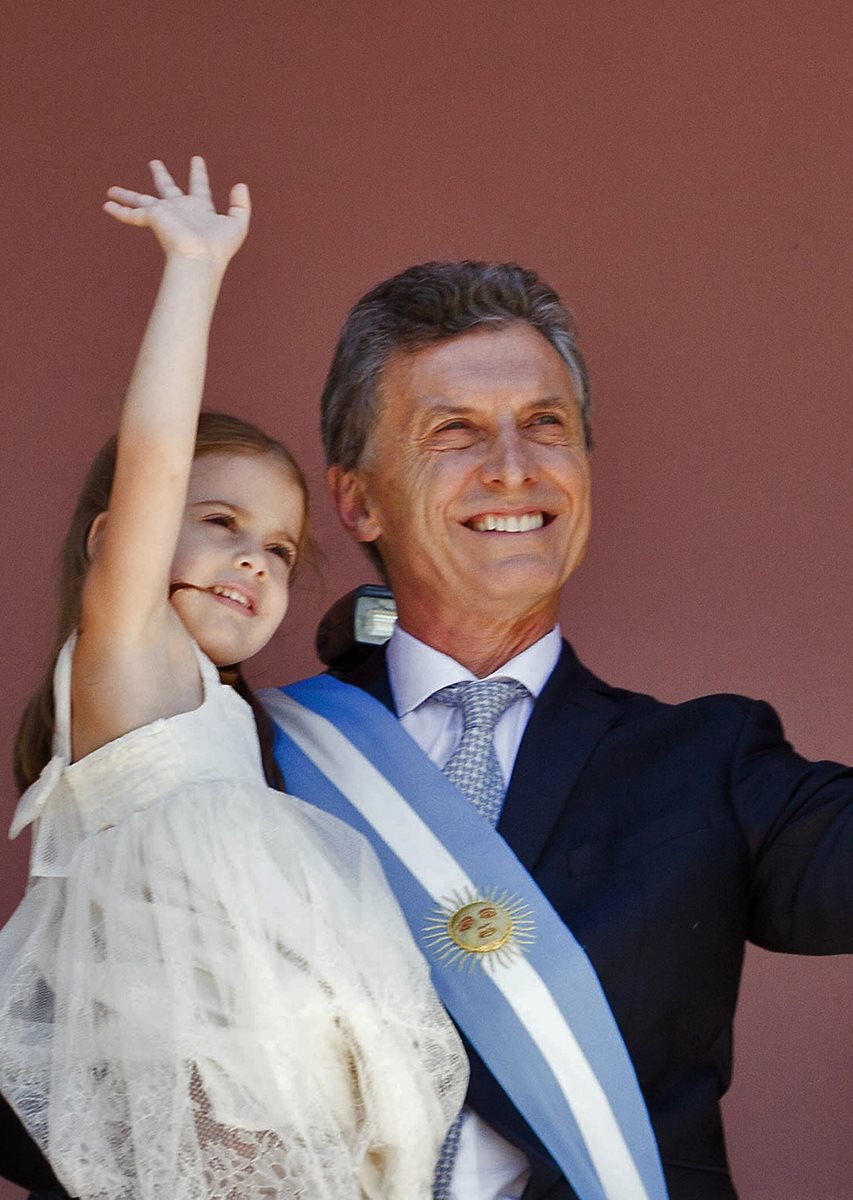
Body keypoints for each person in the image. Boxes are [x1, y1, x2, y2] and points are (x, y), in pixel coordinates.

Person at [260, 261, 853, 1200]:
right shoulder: (251, 757)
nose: (512, 466)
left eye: (546, 424)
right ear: (357, 497)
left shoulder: (711, 763)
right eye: (452, 430)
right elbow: (55, 1091)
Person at [0, 162, 466, 1200]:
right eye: (220, 525)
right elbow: (156, 454)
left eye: (280, 550)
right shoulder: (132, 656)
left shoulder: (222, 716)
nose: (256, 562)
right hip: (189, 1090)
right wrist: (195, 273)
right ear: (120, 539)